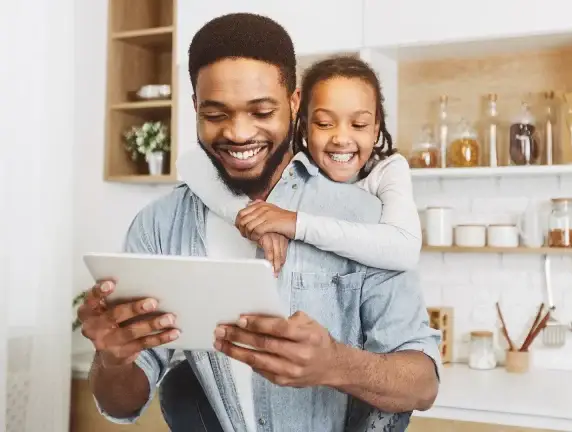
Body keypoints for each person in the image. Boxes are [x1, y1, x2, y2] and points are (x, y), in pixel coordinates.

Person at [76, 12, 440, 432]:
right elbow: (121, 404)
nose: (238, 133)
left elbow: (423, 383)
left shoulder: (364, 218)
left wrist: (335, 364)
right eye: (215, 114)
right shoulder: (159, 225)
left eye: (261, 111)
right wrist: (113, 357)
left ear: (294, 102)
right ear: (195, 106)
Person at [177, 55, 421, 276]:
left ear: (376, 128)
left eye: (359, 124)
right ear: (304, 126)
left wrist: (294, 223)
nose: (341, 138)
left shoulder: (387, 169)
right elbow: (189, 162)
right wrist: (256, 218)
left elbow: (405, 249)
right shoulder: (294, 166)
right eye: (325, 124)